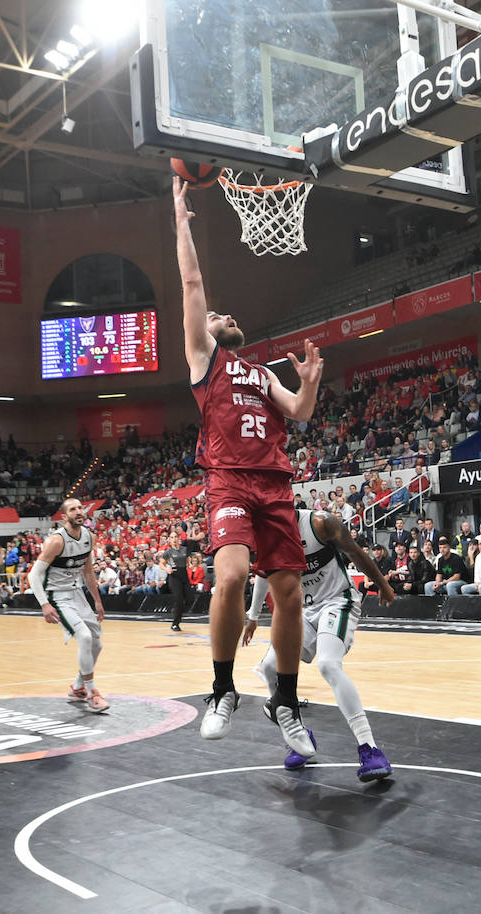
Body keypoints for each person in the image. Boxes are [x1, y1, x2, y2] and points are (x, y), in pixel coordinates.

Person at [175, 176, 319, 757]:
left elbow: (300, 413)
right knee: (232, 576)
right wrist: (180, 221)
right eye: (213, 315)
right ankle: (220, 690)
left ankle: (284, 700)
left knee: (290, 595)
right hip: (228, 480)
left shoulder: (263, 374)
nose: (220, 315)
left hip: (276, 484)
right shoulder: (203, 360)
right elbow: (190, 280)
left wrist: (309, 385)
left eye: (224, 315)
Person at [244, 509, 397, 781]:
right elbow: (264, 574)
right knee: (268, 668)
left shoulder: (319, 523)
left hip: (338, 601)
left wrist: (382, 583)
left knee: (328, 664)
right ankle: (298, 737)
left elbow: (355, 553)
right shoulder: (269, 535)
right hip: (302, 609)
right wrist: (253, 616)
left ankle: (370, 749)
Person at [27, 498, 109, 714]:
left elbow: (88, 572)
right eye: (73, 509)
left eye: (81, 508)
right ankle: (92, 693)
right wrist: (44, 604)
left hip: (77, 594)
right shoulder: (56, 541)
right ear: (64, 517)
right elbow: (34, 574)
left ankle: (77, 687)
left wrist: (98, 601)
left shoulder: (89, 537)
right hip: (57, 596)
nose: (79, 511)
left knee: (97, 645)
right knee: (84, 637)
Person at [163, 531, 191, 631]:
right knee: (179, 599)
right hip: (174, 576)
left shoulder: (184, 549)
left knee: (189, 598)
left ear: (178, 538)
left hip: (184, 574)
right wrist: (166, 569)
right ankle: (175, 623)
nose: (174, 539)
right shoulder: (168, 552)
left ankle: (177, 611)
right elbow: (161, 564)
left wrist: (190, 566)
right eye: (172, 537)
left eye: (175, 537)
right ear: (169, 540)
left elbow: (187, 562)